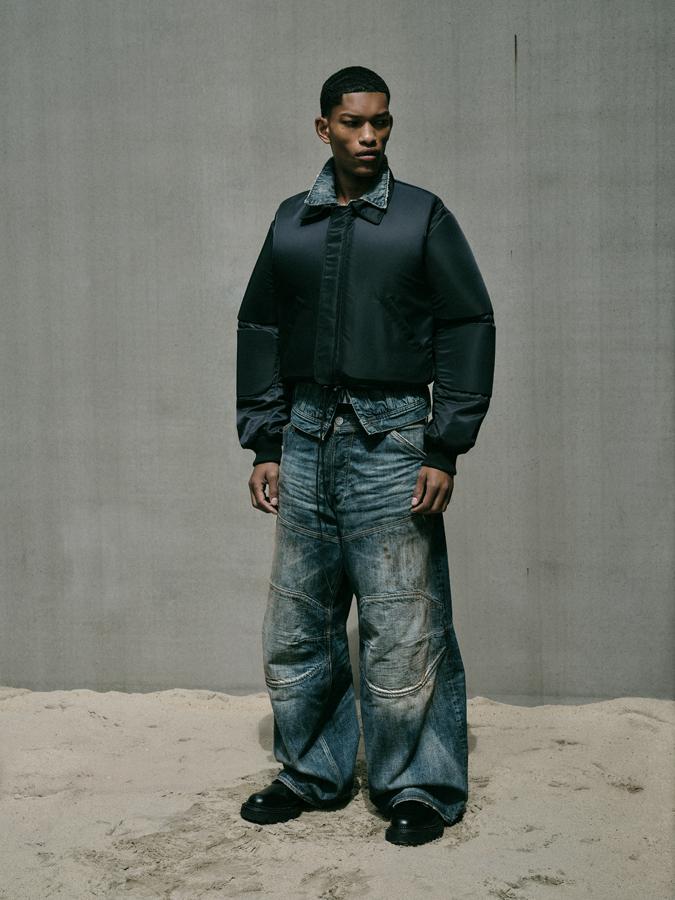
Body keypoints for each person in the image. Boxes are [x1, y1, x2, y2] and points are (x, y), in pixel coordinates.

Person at [235, 66, 495, 846]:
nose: (368, 136)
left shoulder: (421, 216)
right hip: (304, 440)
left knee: (403, 620)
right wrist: (265, 439)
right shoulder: (290, 222)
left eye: (380, 122)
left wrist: (444, 444)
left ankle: (417, 784)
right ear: (324, 128)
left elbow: (466, 324)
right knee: (300, 622)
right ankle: (310, 772)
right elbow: (261, 329)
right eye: (352, 123)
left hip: (393, 441)